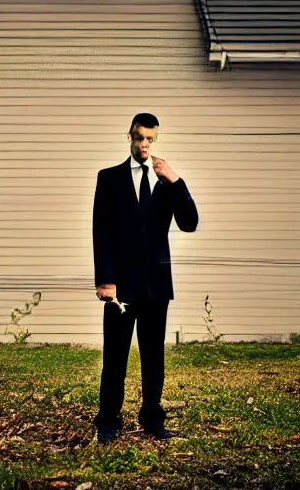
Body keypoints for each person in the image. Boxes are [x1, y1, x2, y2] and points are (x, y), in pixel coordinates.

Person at [92, 113, 199, 443]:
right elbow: (102, 231)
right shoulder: (109, 178)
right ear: (129, 136)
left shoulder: (166, 183)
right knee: (115, 355)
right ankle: (109, 418)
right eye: (138, 137)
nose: (143, 144)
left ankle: (152, 416)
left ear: (156, 139)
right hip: (121, 286)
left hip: (156, 286)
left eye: (150, 139)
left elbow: (190, 222)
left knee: (154, 356)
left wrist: (175, 179)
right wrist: (105, 279)